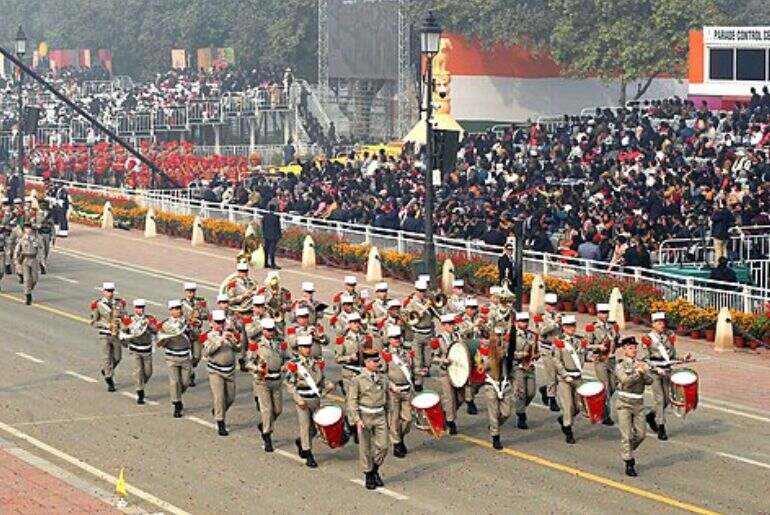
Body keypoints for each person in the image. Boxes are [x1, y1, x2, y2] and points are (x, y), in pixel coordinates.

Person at [286, 334, 335, 468]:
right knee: (305, 426)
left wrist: (329, 385)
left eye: (309, 347)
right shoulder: (294, 364)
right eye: (304, 347)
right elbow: (289, 384)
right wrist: (298, 399)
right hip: (302, 399)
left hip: (315, 399)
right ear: (299, 348)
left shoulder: (316, 362)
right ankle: (308, 453)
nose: (307, 349)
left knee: (314, 429)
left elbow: (321, 379)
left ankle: (302, 442)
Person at [347, 342, 389, 490]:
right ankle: (368, 475)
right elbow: (352, 401)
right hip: (364, 416)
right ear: (367, 363)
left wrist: (388, 416)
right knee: (365, 448)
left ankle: (375, 468)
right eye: (374, 361)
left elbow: (387, 398)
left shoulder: (383, 378)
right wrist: (356, 419)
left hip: (379, 415)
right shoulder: (358, 380)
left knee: (383, 446)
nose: (378, 364)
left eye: (378, 361)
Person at [643, 312, 691, 441]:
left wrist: (683, 359)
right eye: (659, 323)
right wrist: (656, 369)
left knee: (668, 399)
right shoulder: (648, 338)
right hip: (654, 372)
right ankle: (661, 426)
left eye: (663, 322)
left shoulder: (668, 336)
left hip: (667, 370)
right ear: (653, 324)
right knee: (659, 398)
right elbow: (644, 359)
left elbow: (672, 356)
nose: (662, 325)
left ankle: (651, 415)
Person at [245, 317, 288, 452]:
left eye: (272, 330)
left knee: (278, 410)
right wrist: (258, 369)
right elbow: (248, 362)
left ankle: (265, 423)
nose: (270, 332)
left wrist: (286, 364)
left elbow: (287, 357)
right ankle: (267, 435)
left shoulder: (279, 343)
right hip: (262, 380)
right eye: (268, 330)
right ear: (263, 330)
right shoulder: (256, 345)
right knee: (267, 409)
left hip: (276, 379)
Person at [615, 336, 653, 477]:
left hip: (638, 403)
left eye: (635, 347)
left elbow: (650, 381)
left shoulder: (640, 363)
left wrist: (645, 372)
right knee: (627, 435)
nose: (634, 350)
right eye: (630, 348)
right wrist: (638, 373)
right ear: (624, 349)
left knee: (641, 434)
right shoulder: (620, 365)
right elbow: (625, 381)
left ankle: (628, 449)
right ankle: (629, 462)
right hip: (624, 403)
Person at [202, 309, 241, 436]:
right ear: (211, 323)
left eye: (222, 322)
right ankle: (220, 422)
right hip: (215, 371)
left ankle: (218, 410)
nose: (220, 325)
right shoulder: (207, 335)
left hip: (229, 371)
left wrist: (235, 337)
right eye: (217, 322)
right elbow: (207, 351)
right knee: (219, 397)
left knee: (230, 398)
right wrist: (220, 340)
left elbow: (238, 348)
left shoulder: (228, 333)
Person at [381, 325, 417, 458]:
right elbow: (382, 374)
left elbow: (411, 370)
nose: (397, 340)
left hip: (406, 389)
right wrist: (390, 384)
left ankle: (400, 436)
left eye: (398, 337)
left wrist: (420, 372)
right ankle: (396, 443)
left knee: (408, 419)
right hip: (393, 390)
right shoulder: (386, 355)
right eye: (394, 338)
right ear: (389, 339)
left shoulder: (406, 353)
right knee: (394, 419)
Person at [335, 312, 369, 442]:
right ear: (349, 324)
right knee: (351, 401)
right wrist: (349, 358)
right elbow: (337, 358)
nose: (357, 325)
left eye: (358, 322)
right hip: (349, 372)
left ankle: (358, 424)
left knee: (361, 399)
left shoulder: (363, 337)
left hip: (361, 372)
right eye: (354, 322)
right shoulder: (343, 340)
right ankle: (353, 427)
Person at [554, 315, 587, 444]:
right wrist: (564, 375)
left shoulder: (579, 340)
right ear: (564, 328)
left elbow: (583, 357)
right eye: (569, 327)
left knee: (577, 408)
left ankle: (564, 419)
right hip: (565, 378)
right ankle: (568, 430)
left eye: (573, 326)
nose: (572, 329)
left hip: (577, 377)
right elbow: (557, 360)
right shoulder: (559, 342)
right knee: (568, 406)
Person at [157, 300, 193, 418]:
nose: (177, 311)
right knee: (174, 381)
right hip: (171, 356)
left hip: (185, 355)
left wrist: (191, 329)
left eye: (179, 309)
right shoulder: (166, 324)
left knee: (185, 382)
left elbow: (194, 336)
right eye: (175, 309)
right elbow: (161, 342)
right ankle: (177, 404)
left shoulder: (186, 322)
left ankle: (177, 394)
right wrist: (163, 339)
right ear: (170, 311)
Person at [585, 303, 619, 426]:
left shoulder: (612, 326)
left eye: (606, 313)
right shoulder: (592, 327)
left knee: (614, 384)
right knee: (605, 386)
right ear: (598, 314)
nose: (604, 315)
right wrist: (598, 346)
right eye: (602, 313)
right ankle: (605, 414)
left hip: (612, 359)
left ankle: (599, 404)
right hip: (600, 359)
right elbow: (587, 344)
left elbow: (616, 341)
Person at [89, 282, 127, 391]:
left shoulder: (119, 303)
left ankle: (106, 370)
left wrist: (123, 326)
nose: (110, 293)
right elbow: (93, 322)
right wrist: (106, 324)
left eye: (111, 291)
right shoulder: (98, 304)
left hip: (116, 334)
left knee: (117, 357)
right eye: (107, 291)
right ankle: (109, 379)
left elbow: (125, 317)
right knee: (106, 358)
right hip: (105, 334)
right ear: (103, 292)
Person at [118, 298, 157, 404]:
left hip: (146, 348)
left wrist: (149, 326)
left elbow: (156, 330)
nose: (139, 310)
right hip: (135, 348)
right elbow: (122, 331)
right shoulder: (129, 319)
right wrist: (124, 340)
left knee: (148, 372)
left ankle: (141, 383)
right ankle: (140, 391)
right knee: (138, 371)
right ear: (134, 308)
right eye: (137, 308)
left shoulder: (150, 318)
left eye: (141, 308)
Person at [479, 331, 513, 450]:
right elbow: (481, 367)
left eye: (502, 335)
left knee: (506, 412)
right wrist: (494, 358)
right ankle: (495, 436)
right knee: (493, 412)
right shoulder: (484, 350)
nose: (500, 338)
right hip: (491, 383)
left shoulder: (505, 348)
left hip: (503, 382)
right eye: (498, 335)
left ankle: (494, 426)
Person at [432, 313, 463, 434]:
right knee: (449, 397)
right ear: (444, 326)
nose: (452, 326)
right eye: (449, 324)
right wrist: (442, 360)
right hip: (446, 371)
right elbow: (433, 358)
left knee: (460, 397)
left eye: (453, 324)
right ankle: (451, 422)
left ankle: (446, 413)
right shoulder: (439, 339)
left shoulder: (457, 336)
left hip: (458, 371)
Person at [403, 279, 434, 391]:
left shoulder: (429, 301)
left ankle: (423, 376)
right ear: (416, 291)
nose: (422, 293)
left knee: (428, 360)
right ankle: (418, 383)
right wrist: (424, 309)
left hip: (428, 333)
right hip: (417, 333)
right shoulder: (411, 303)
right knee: (417, 360)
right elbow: (409, 319)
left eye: (423, 291)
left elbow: (436, 315)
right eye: (420, 291)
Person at [535, 293, 561, 412]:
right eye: (550, 305)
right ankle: (552, 399)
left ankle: (546, 390)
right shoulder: (540, 316)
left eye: (554, 305)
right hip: (546, 348)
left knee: (559, 374)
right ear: (545, 305)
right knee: (551, 374)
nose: (552, 307)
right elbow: (541, 331)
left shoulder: (557, 315)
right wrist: (554, 323)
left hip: (557, 348)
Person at [512, 312, 538, 429]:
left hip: (530, 366)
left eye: (526, 321)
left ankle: (520, 407)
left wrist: (537, 355)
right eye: (522, 321)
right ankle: (521, 415)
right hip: (518, 366)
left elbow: (536, 350)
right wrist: (520, 354)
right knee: (521, 391)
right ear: (516, 323)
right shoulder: (512, 335)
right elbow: (508, 352)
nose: (525, 324)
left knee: (531, 392)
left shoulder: (532, 335)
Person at [181, 282, 209, 387]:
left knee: (197, 356)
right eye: (189, 292)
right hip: (186, 332)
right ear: (185, 292)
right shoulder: (181, 304)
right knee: (187, 354)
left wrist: (200, 314)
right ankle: (190, 374)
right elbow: (177, 317)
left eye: (193, 292)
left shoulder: (200, 302)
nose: (191, 294)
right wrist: (188, 319)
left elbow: (207, 315)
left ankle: (190, 368)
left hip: (196, 332)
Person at [14, 222, 40, 305]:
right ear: (24, 230)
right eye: (26, 228)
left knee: (35, 279)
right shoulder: (21, 239)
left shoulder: (35, 239)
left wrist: (42, 261)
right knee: (26, 279)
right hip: (25, 260)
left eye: (29, 228)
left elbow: (40, 249)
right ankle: (28, 295)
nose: (28, 230)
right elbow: (17, 251)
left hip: (34, 259)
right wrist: (16, 262)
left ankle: (30, 287)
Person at [262, 204, 282, 269]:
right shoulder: (276, 217)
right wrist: (279, 235)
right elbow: (278, 227)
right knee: (272, 250)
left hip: (266, 235)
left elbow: (263, 226)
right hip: (274, 236)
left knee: (266, 249)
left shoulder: (265, 216)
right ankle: (273, 264)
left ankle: (265, 263)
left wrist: (264, 234)